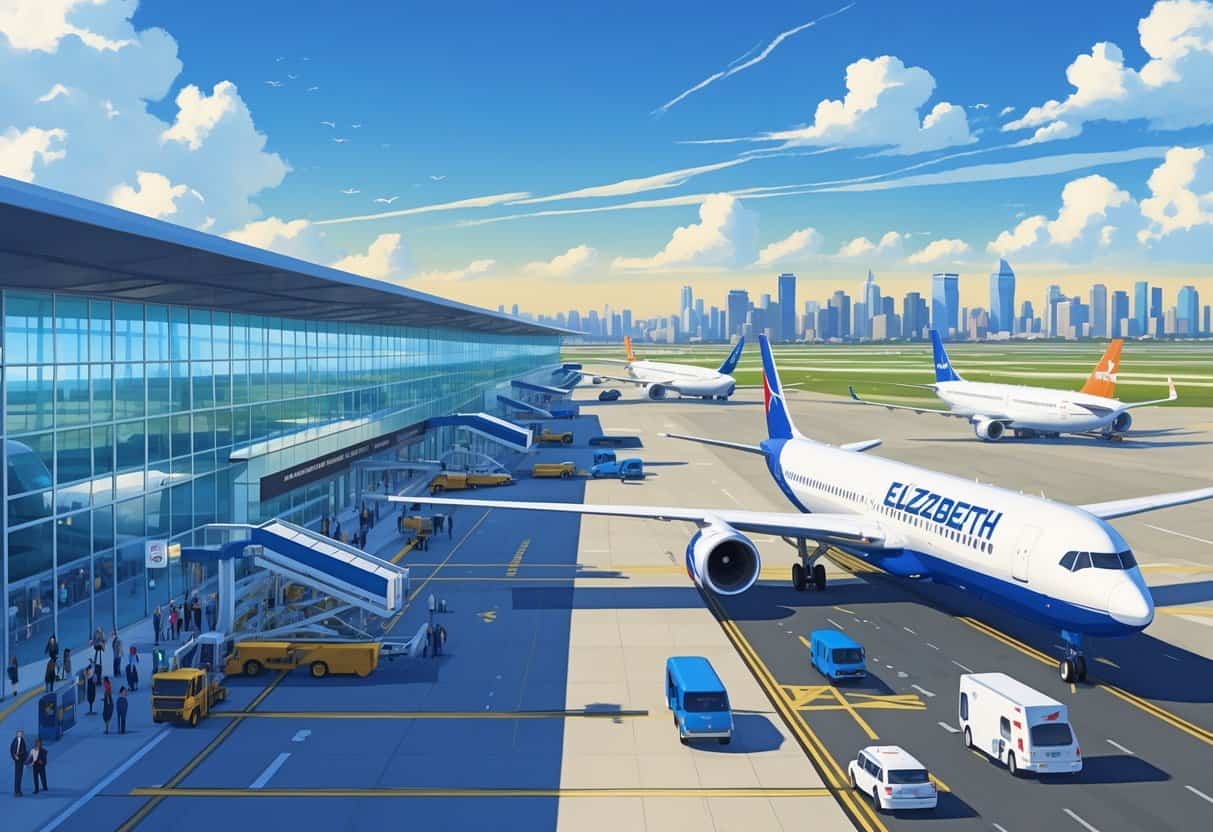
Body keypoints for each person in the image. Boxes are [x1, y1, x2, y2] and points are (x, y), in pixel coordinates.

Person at [11, 729, 28, 796]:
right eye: (19, 733)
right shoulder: (15, 740)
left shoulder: (22, 740)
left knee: (20, 776)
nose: (20, 734)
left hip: (21, 759)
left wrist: (25, 759)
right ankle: (16, 791)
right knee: (17, 776)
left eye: (21, 733)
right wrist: (14, 756)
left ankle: (18, 791)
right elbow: (12, 749)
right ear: (17, 734)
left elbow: (24, 750)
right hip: (17, 760)